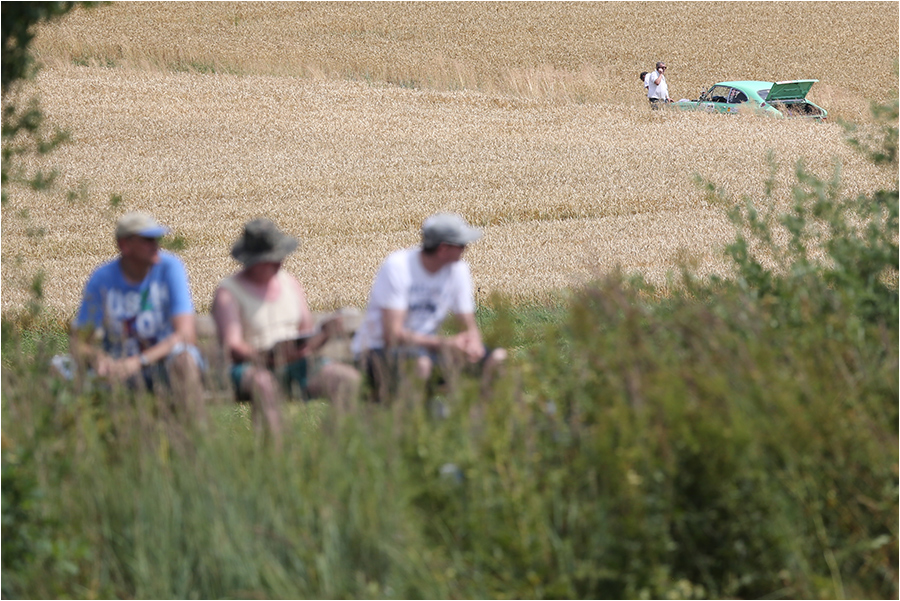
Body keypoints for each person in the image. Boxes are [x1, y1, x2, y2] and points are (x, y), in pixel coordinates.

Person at [212, 218, 361, 440]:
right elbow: (233, 347)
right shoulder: (228, 293)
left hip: (296, 363)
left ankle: (330, 448)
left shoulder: (289, 283)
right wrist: (268, 358)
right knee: (264, 384)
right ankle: (275, 456)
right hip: (251, 367)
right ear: (253, 261)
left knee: (348, 379)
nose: (279, 263)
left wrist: (324, 334)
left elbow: (305, 331)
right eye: (272, 259)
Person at [352, 212, 507, 403]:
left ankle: (483, 424)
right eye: (461, 245)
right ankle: (412, 427)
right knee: (421, 365)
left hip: (427, 350)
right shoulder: (398, 267)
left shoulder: (458, 270)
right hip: (378, 352)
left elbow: (467, 323)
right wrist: (444, 344)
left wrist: (473, 344)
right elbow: (392, 336)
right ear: (443, 249)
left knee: (498, 359)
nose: (465, 249)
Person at [70, 212, 205, 420]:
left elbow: (186, 335)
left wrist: (139, 361)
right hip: (118, 368)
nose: (155, 245)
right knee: (58, 371)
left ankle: (195, 439)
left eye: (156, 239)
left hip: (164, 365)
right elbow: (78, 343)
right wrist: (98, 358)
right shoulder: (102, 278)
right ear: (125, 245)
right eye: (147, 240)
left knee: (185, 360)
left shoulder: (170, 268)